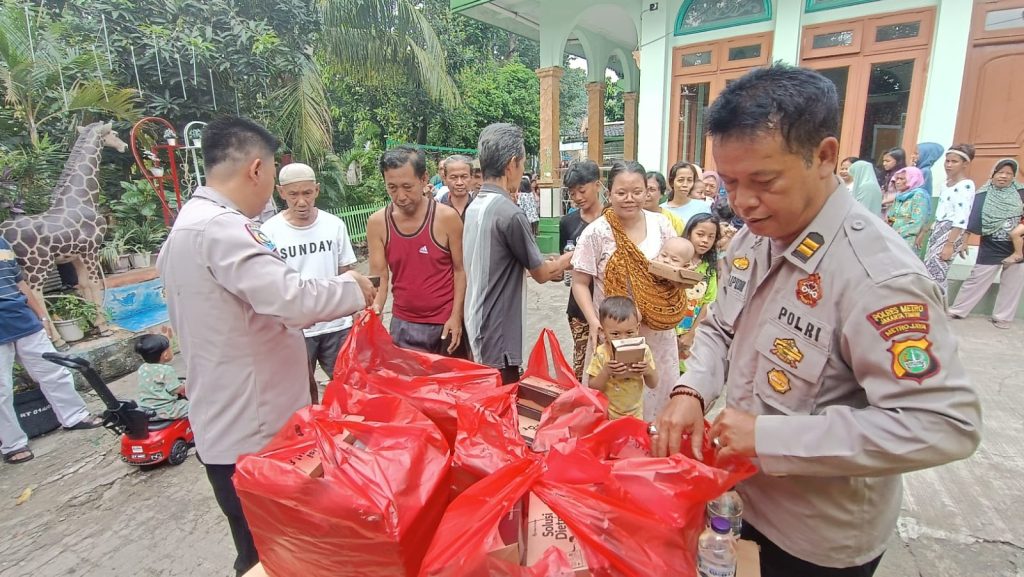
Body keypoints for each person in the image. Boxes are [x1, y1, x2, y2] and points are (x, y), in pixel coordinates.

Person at [652, 64, 981, 577]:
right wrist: (691, 390)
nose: (742, 202)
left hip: (815, 539)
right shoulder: (753, 236)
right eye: (731, 182)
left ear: (825, 156)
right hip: (737, 497)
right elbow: (719, 327)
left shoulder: (878, 278)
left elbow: (942, 424)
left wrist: (769, 438)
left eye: (763, 181)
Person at [157, 117, 375, 576]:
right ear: (257, 169)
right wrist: (353, 288)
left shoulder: (186, 228)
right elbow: (291, 299)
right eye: (276, 174)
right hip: (252, 434)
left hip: (229, 421)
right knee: (271, 557)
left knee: (264, 551)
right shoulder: (222, 229)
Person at [572, 160, 684, 421]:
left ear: (648, 191)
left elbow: (678, 266)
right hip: (612, 334)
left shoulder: (662, 225)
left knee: (657, 395)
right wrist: (593, 322)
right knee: (612, 397)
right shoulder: (597, 232)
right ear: (608, 193)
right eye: (621, 193)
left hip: (656, 333)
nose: (629, 199)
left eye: (637, 192)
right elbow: (580, 282)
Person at [463, 123, 571, 384]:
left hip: (475, 321)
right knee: (499, 404)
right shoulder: (509, 212)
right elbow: (543, 274)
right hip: (497, 331)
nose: (522, 171)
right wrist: (574, 256)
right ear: (511, 165)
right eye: (522, 164)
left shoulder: (475, 205)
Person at [261, 163, 358, 403]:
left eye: (307, 193)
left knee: (349, 387)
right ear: (281, 192)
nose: (301, 201)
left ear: (316, 190)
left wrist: (354, 318)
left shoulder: (333, 225)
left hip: (337, 326)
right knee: (302, 392)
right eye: (293, 194)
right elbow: (270, 284)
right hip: (295, 329)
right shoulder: (268, 232)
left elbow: (345, 272)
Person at [0, 237, 102, 465]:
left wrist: (41, 315)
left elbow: (20, 283)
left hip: (22, 319)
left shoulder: (2, 243)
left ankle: (74, 417)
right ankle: (13, 444)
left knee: (54, 370)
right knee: (1, 390)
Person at [367, 146, 467, 356]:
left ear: (423, 180)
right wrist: (374, 309)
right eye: (392, 187)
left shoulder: (446, 218)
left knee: (450, 386)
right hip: (404, 325)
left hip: (445, 323)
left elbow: (460, 271)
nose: (400, 196)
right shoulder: (378, 223)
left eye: (407, 186)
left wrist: (456, 317)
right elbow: (380, 277)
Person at [948, 158, 1024, 329]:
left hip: (1017, 245)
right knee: (977, 278)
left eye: (1008, 174)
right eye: (1000, 172)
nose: (1004, 176)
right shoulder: (983, 194)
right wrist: (964, 242)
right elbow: (971, 218)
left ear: (1013, 176)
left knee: (1012, 283)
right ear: (993, 174)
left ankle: (1003, 317)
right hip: (991, 244)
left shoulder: (1021, 193)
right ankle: (958, 310)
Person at [560, 160, 605, 381]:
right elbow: (566, 265)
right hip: (578, 309)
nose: (577, 197)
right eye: (572, 192)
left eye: (582, 190)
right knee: (582, 365)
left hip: (610, 307)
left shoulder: (613, 218)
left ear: (598, 184)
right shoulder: (567, 222)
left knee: (609, 365)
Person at [586, 296, 657, 420]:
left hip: (635, 415)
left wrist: (648, 371)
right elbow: (592, 387)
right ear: (603, 332)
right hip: (607, 415)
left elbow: (653, 384)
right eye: (615, 334)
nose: (623, 339)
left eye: (629, 333)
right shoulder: (601, 353)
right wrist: (606, 372)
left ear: (637, 328)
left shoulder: (643, 351)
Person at [920, 144, 976, 296]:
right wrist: (927, 230)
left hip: (951, 232)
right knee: (930, 269)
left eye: (954, 161)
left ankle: (939, 306)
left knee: (938, 271)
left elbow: (961, 218)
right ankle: (933, 304)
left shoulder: (966, 185)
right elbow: (941, 211)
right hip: (938, 229)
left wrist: (950, 244)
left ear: (965, 164)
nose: (949, 165)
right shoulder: (946, 184)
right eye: (947, 161)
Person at [676, 213, 721, 370]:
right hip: (666, 330)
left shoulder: (709, 270)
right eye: (700, 234)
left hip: (689, 332)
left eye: (711, 237)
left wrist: (690, 335)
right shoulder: (675, 261)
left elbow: (707, 304)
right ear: (689, 233)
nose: (705, 241)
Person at [134, 333, 188, 420]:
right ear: (166, 355)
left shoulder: (143, 368)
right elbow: (177, 390)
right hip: (167, 410)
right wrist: (187, 384)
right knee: (197, 406)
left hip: (148, 411)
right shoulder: (166, 370)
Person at [888, 167, 931, 251]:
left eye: (902, 179)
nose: (897, 182)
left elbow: (918, 221)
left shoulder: (919, 195)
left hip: (908, 239)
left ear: (912, 179)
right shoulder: (899, 196)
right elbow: (892, 216)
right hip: (892, 238)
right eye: (897, 179)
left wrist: (897, 233)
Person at [660, 160, 711, 226]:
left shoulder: (703, 207)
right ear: (672, 182)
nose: (685, 184)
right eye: (680, 180)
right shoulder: (661, 210)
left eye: (689, 180)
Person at [644, 170, 687, 235]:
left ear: (661, 193)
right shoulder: (631, 217)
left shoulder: (674, 220)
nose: (647, 194)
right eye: (643, 189)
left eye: (652, 190)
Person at [437, 154, 474, 219]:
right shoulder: (437, 209)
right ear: (445, 179)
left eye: (464, 177)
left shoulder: (479, 208)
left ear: (471, 177)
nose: (459, 183)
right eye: (453, 177)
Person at [878, 147, 907, 213]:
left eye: (888, 161)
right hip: (884, 209)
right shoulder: (886, 174)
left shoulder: (902, 176)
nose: (884, 163)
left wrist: (884, 201)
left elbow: (902, 193)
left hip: (895, 211)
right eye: (883, 161)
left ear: (898, 161)